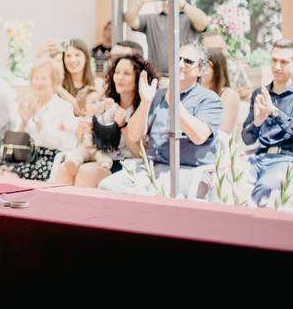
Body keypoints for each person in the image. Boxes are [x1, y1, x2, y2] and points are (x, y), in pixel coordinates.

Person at [99, 42, 222, 196]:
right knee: (107, 186)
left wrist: (175, 105)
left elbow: (199, 136)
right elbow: (134, 135)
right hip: (152, 167)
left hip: (189, 171)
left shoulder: (209, 99)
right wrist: (145, 101)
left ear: (200, 70)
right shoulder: (158, 95)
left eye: (188, 61)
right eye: (177, 58)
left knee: (150, 193)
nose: (180, 64)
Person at [55, 54, 158, 187]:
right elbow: (83, 136)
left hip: (126, 163)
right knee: (64, 170)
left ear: (138, 77)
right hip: (98, 156)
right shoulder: (105, 104)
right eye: (117, 72)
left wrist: (123, 126)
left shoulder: (143, 109)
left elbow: (141, 153)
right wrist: (86, 129)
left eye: (126, 73)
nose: (119, 77)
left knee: (87, 173)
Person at [6, 59, 78, 181]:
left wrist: (37, 119)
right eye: (36, 78)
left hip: (50, 159)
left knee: (10, 178)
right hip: (25, 157)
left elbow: (67, 142)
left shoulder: (63, 107)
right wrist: (23, 123)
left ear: (54, 81)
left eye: (43, 78)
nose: (38, 82)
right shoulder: (29, 105)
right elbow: (16, 144)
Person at [242, 39, 293, 206]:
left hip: (286, 160)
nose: (277, 66)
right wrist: (257, 123)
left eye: (284, 62)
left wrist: (273, 112)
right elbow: (247, 139)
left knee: (265, 187)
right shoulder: (260, 93)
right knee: (230, 181)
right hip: (258, 157)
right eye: (274, 60)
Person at [124, 0, 209, 75]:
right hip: (158, 77)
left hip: (184, 77)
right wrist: (141, 1)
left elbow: (204, 22)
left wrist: (183, 4)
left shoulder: (190, 19)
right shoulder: (152, 19)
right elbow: (129, 20)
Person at [202, 48, 243, 138]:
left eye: (207, 65)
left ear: (217, 69)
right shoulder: (197, 93)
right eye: (200, 64)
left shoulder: (229, 95)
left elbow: (223, 131)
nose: (202, 69)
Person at [58, 38, 95, 110]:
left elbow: (83, 110)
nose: (72, 60)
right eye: (68, 55)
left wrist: (59, 89)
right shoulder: (59, 84)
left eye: (77, 55)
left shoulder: (96, 83)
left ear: (86, 58)